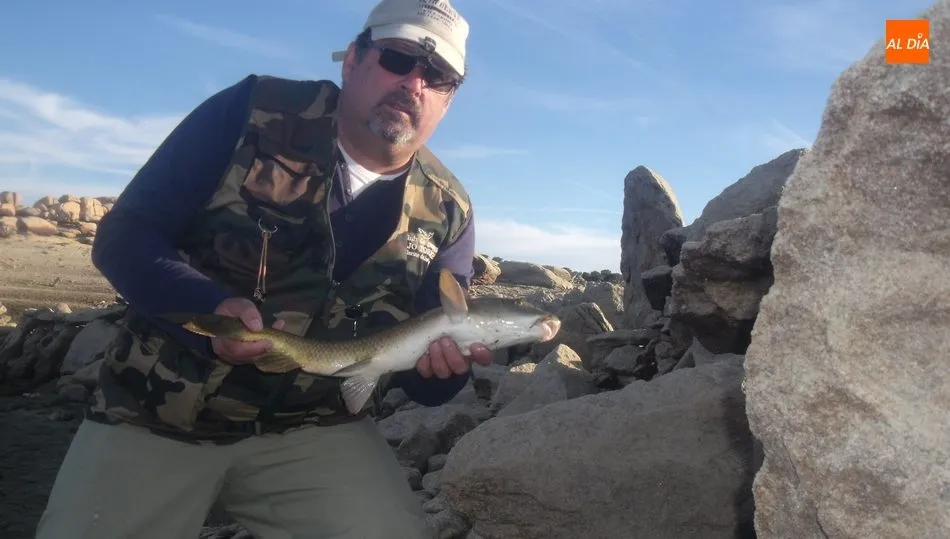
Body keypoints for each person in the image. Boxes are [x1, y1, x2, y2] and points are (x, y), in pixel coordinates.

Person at [34, 0, 491, 537]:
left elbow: (423, 382)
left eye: (436, 75)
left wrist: (442, 371)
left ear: (448, 98)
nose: (414, 83)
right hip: (158, 411)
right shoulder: (252, 111)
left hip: (313, 428)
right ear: (352, 60)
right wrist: (210, 312)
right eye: (398, 58)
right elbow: (126, 234)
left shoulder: (450, 212)